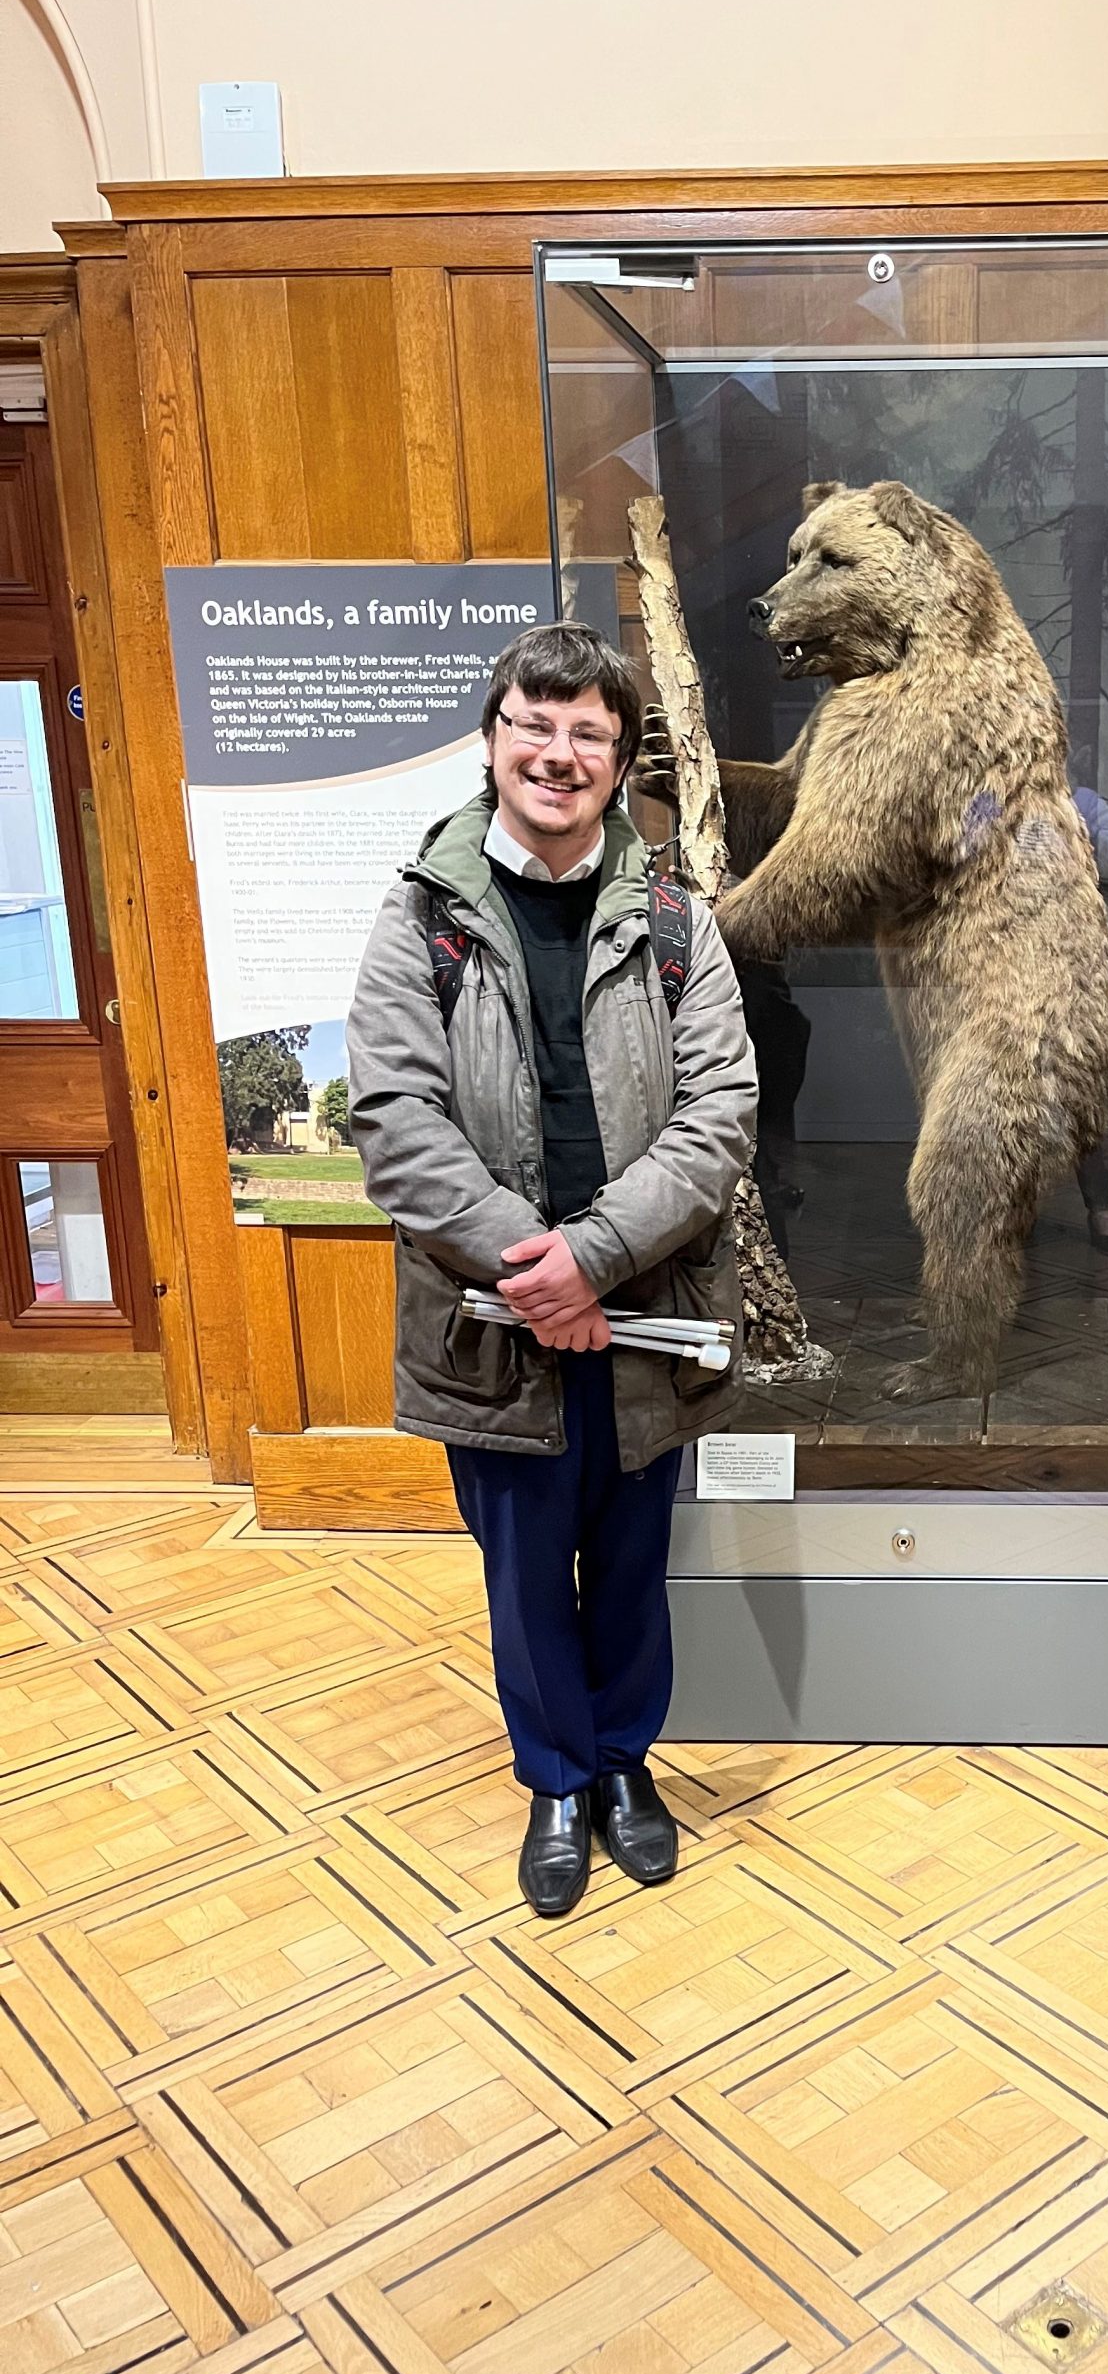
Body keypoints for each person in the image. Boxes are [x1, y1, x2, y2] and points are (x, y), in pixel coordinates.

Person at [348, 623, 756, 1918]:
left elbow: (720, 1119)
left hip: (651, 1315)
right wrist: (536, 1271)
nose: (559, 753)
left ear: (621, 758)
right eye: (536, 723)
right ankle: (558, 1781)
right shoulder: (421, 917)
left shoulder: (680, 921)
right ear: (492, 740)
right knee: (523, 1573)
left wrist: (593, 1258)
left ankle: (629, 1767)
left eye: (589, 731)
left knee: (635, 1559)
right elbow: (395, 1123)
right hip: (496, 1324)